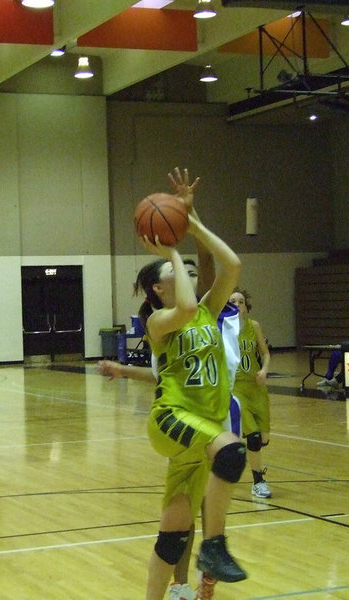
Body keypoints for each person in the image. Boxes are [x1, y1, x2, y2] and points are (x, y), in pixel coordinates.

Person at [135, 188, 246, 600]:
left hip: (201, 428)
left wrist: (191, 220)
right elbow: (183, 307)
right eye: (177, 275)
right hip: (172, 418)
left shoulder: (209, 310)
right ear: (157, 291)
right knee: (232, 452)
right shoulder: (160, 323)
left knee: (173, 536)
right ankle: (214, 548)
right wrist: (173, 251)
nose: (192, 279)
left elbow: (232, 264)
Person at [229, 287, 273, 499]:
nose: (237, 305)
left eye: (241, 302)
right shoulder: (222, 329)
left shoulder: (253, 326)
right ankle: (258, 481)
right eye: (233, 302)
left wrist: (264, 370)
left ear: (246, 307)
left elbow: (265, 354)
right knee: (253, 437)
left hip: (256, 387)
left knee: (263, 439)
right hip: (236, 388)